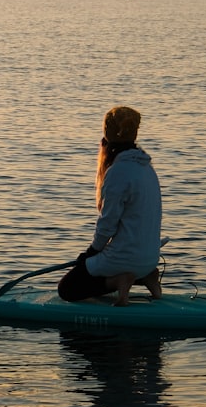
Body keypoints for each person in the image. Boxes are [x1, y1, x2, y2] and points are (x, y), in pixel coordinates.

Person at [58, 106, 163, 305]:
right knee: (90, 270)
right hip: (149, 258)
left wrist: (91, 252)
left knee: (67, 288)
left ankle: (119, 280)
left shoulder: (118, 171)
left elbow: (108, 223)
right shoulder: (147, 167)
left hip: (126, 258)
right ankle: (146, 277)